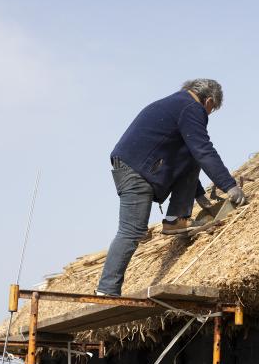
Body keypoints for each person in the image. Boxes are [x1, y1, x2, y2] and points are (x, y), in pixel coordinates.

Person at [96, 79, 245, 296]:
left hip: (135, 165)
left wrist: (200, 195)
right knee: (132, 230)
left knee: (191, 154)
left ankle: (176, 220)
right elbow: (203, 149)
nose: (208, 115)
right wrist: (229, 186)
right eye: (211, 110)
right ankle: (106, 289)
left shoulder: (177, 103)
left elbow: (188, 154)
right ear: (209, 101)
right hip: (137, 169)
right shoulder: (192, 107)